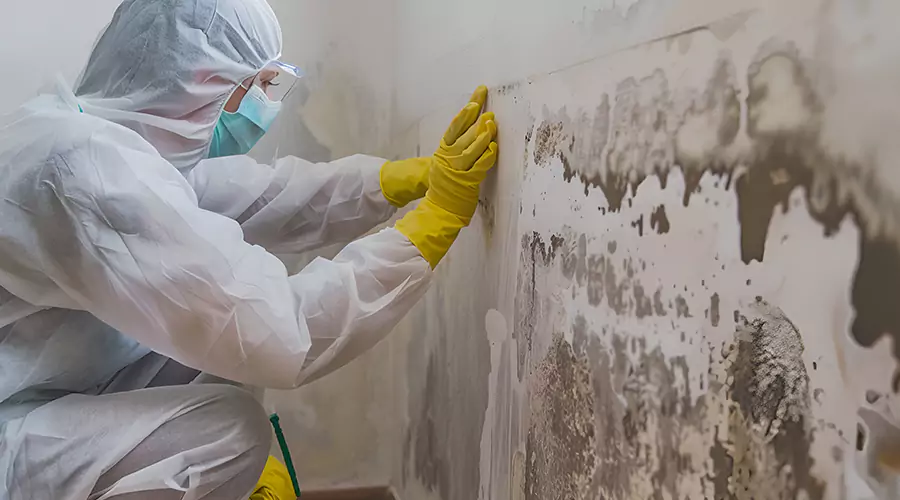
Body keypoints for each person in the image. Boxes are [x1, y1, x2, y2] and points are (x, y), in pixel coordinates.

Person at [0, 0, 498, 498]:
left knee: (210, 356)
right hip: (15, 427)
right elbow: (281, 331)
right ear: (201, 79)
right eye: (262, 85)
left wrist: (398, 181)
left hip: (43, 394)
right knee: (232, 433)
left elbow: (263, 198)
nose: (267, 105)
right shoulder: (87, 171)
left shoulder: (100, 137)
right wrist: (431, 227)